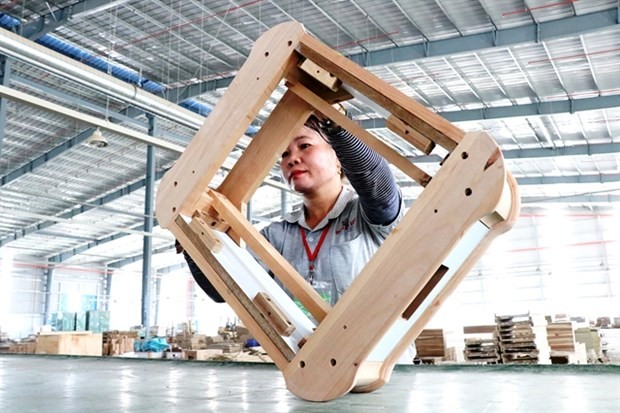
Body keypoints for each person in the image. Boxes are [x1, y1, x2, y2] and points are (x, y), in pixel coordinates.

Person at [178, 108, 415, 362]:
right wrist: (192, 245)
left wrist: (336, 126)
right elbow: (225, 290)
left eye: (305, 145)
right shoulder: (275, 236)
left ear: (338, 159)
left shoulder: (368, 216)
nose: (292, 158)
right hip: (308, 374)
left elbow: (378, 185)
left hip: (377, 368)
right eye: (284, 154)